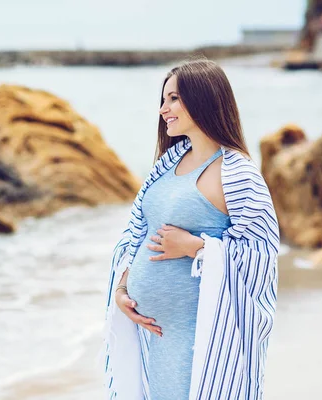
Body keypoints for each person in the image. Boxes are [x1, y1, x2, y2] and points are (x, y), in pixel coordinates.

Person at [103, 59, 280, 400]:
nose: (162, 109)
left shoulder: (237, 173)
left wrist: (195, 246)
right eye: (163, 99)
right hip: (153, 336)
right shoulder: (167, 165)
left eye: (173, 99)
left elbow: (261, 253)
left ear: (203, 99)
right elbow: (136, 233)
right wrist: (122, 288)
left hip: (196, 339)